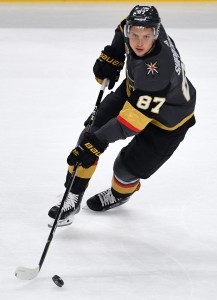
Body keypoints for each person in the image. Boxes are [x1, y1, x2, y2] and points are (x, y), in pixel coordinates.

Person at [48, 5, 196, 227]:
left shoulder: (158, 73)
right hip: (134, 92)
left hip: (168, 121)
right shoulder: (141, 28)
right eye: (134, 35)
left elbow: (129, 123)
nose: (138, 42)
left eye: (146, 37)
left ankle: (120, 194)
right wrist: (114, 54)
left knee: (125, 169)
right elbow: (123, 26)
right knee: (89, 135)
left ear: (155, 34)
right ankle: (73, 196)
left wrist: (98, 143)